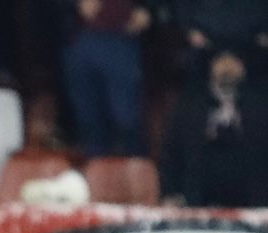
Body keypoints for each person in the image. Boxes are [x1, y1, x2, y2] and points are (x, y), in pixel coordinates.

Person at [160, 51, 268, 208]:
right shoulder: (189, 105)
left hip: (252, 200)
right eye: (221, 61)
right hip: (197, 200)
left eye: (234, 62)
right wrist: (170, 194)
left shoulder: (260, 106)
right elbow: (171, 154)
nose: (227, 68)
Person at [62, 0, 150, 159]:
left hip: (122, 37)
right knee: (89, 121)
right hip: (79, 37)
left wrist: (148, 8)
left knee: (126, 120)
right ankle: (96, 175)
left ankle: (134, 177)